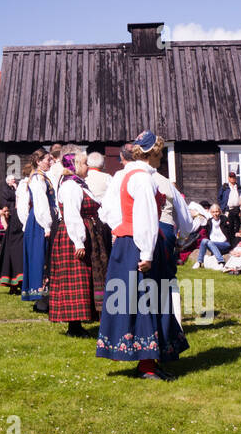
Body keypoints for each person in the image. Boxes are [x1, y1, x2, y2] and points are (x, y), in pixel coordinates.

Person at [96, 132, 188, 380]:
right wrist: (146, 252)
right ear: (153, 153)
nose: (162, 158)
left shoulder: (124, 175)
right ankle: (147, 366)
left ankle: (146, 362)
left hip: (126, 244)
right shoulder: (143, 180)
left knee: (133, 302)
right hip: (140, 245)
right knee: (147, 302)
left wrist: (120, 229)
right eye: (160, 153)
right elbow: (146, 217)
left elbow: (105, 210)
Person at [50, 152, 96, 336]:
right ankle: (74, 326)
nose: (88, 167)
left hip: (80, 234)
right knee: (74, 279)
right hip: (73, 237)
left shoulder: (78, 184)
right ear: (75, 165)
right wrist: (79, 242)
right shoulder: (70, 186)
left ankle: (78, 324)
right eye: (85, 164)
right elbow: (71, 215)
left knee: (82, 278)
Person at [20, 149, 55, 307]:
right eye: (48, 159)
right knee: (41, 259)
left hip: (41, 220)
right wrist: (47, 226)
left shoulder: (42, 177)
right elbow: (41, 204)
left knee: (44, 258)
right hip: (40, 222)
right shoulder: (37, 178)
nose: (50, 162)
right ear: (39, 161)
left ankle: (44, 299)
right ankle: (41, 301)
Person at [0, 175, 25, 293]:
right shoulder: (7, 190)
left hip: (18, 221)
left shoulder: (16, 190)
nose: (14, 181)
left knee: (16, 253)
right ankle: (14, 283)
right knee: (13, 252)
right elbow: (6, 202)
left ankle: (17, 283)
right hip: (15, 222)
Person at [193, 203, 230, 269]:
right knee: (204, 241)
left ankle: (221, 262)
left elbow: (230, 232)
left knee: (209, 242)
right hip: (212, 245)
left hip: (224, 244)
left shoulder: (224, 219)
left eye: (217, 211)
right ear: (210, 213)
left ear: (220, 211)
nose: (215, 214)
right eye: (213, 212)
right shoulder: (209, 222)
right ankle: (199, 262)